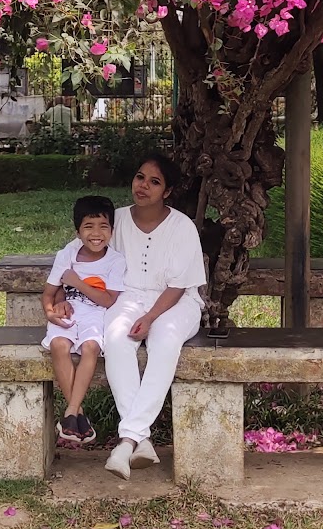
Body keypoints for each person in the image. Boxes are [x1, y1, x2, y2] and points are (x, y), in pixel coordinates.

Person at [102, 154, 207, 480]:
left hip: (177, 302)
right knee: (117, 339)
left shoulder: (181, 226)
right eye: (139, 177)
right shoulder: (115, 220)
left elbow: (178, 286)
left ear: (168, 191)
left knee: (165, 340)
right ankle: (142, 439)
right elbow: (83, 256)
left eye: (154, 181)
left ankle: (128, 439)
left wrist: (149, 317)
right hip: (128, 298)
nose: (143, 186)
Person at [41, 195, 127, 445]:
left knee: (91, 348)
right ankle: (76, 415)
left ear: (112, 229)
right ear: (77, 231)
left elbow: (108, 300)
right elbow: (48, 294)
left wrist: (77, 283)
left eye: (103, 226)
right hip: (67, 314)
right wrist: (51, 311)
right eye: (88, 227)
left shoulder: (115, 260)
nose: (96, 233)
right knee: (59, 345)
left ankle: (70, 413)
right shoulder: (67, 253)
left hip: (97, 316)